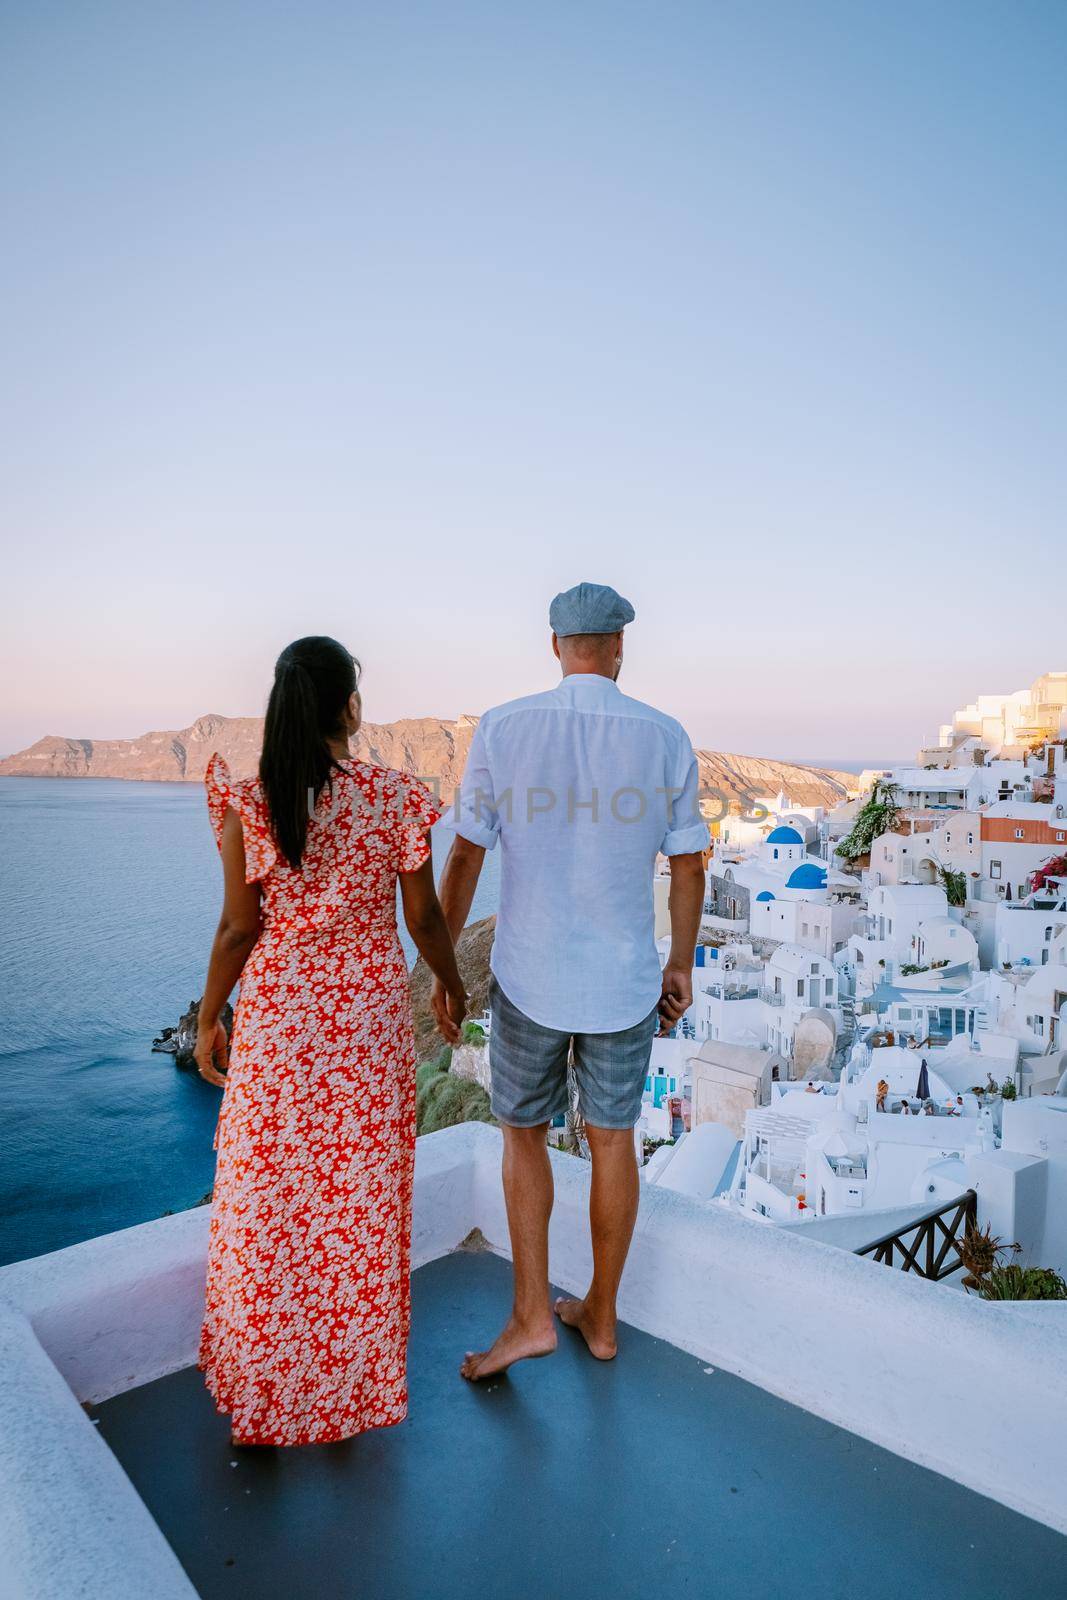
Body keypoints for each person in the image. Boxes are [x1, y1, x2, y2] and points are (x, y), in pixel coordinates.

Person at [193, 636, 467, 1446]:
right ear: (349, 705)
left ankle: (259, 1399)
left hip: (277, 1027)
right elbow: (421, 919)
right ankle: (346, 1398)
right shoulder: (393, 797)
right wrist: (451, 982)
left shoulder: (248, 803)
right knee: (357, 1204)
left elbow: (239, 929)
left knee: (264, 1206)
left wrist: (211, 1017)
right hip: (363, 1035)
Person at [433, 583, 710, 1380]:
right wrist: (679, 963)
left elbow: (464, 855)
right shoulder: (664, 736)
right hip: (623, 983)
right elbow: (688, 864)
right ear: (618, 647)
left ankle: (528, 1319)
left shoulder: (504, 726)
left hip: (529, 977)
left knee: (522, 1137)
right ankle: (601, 1317)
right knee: (613, 1140)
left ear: (554, 645)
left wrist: (446, 969)